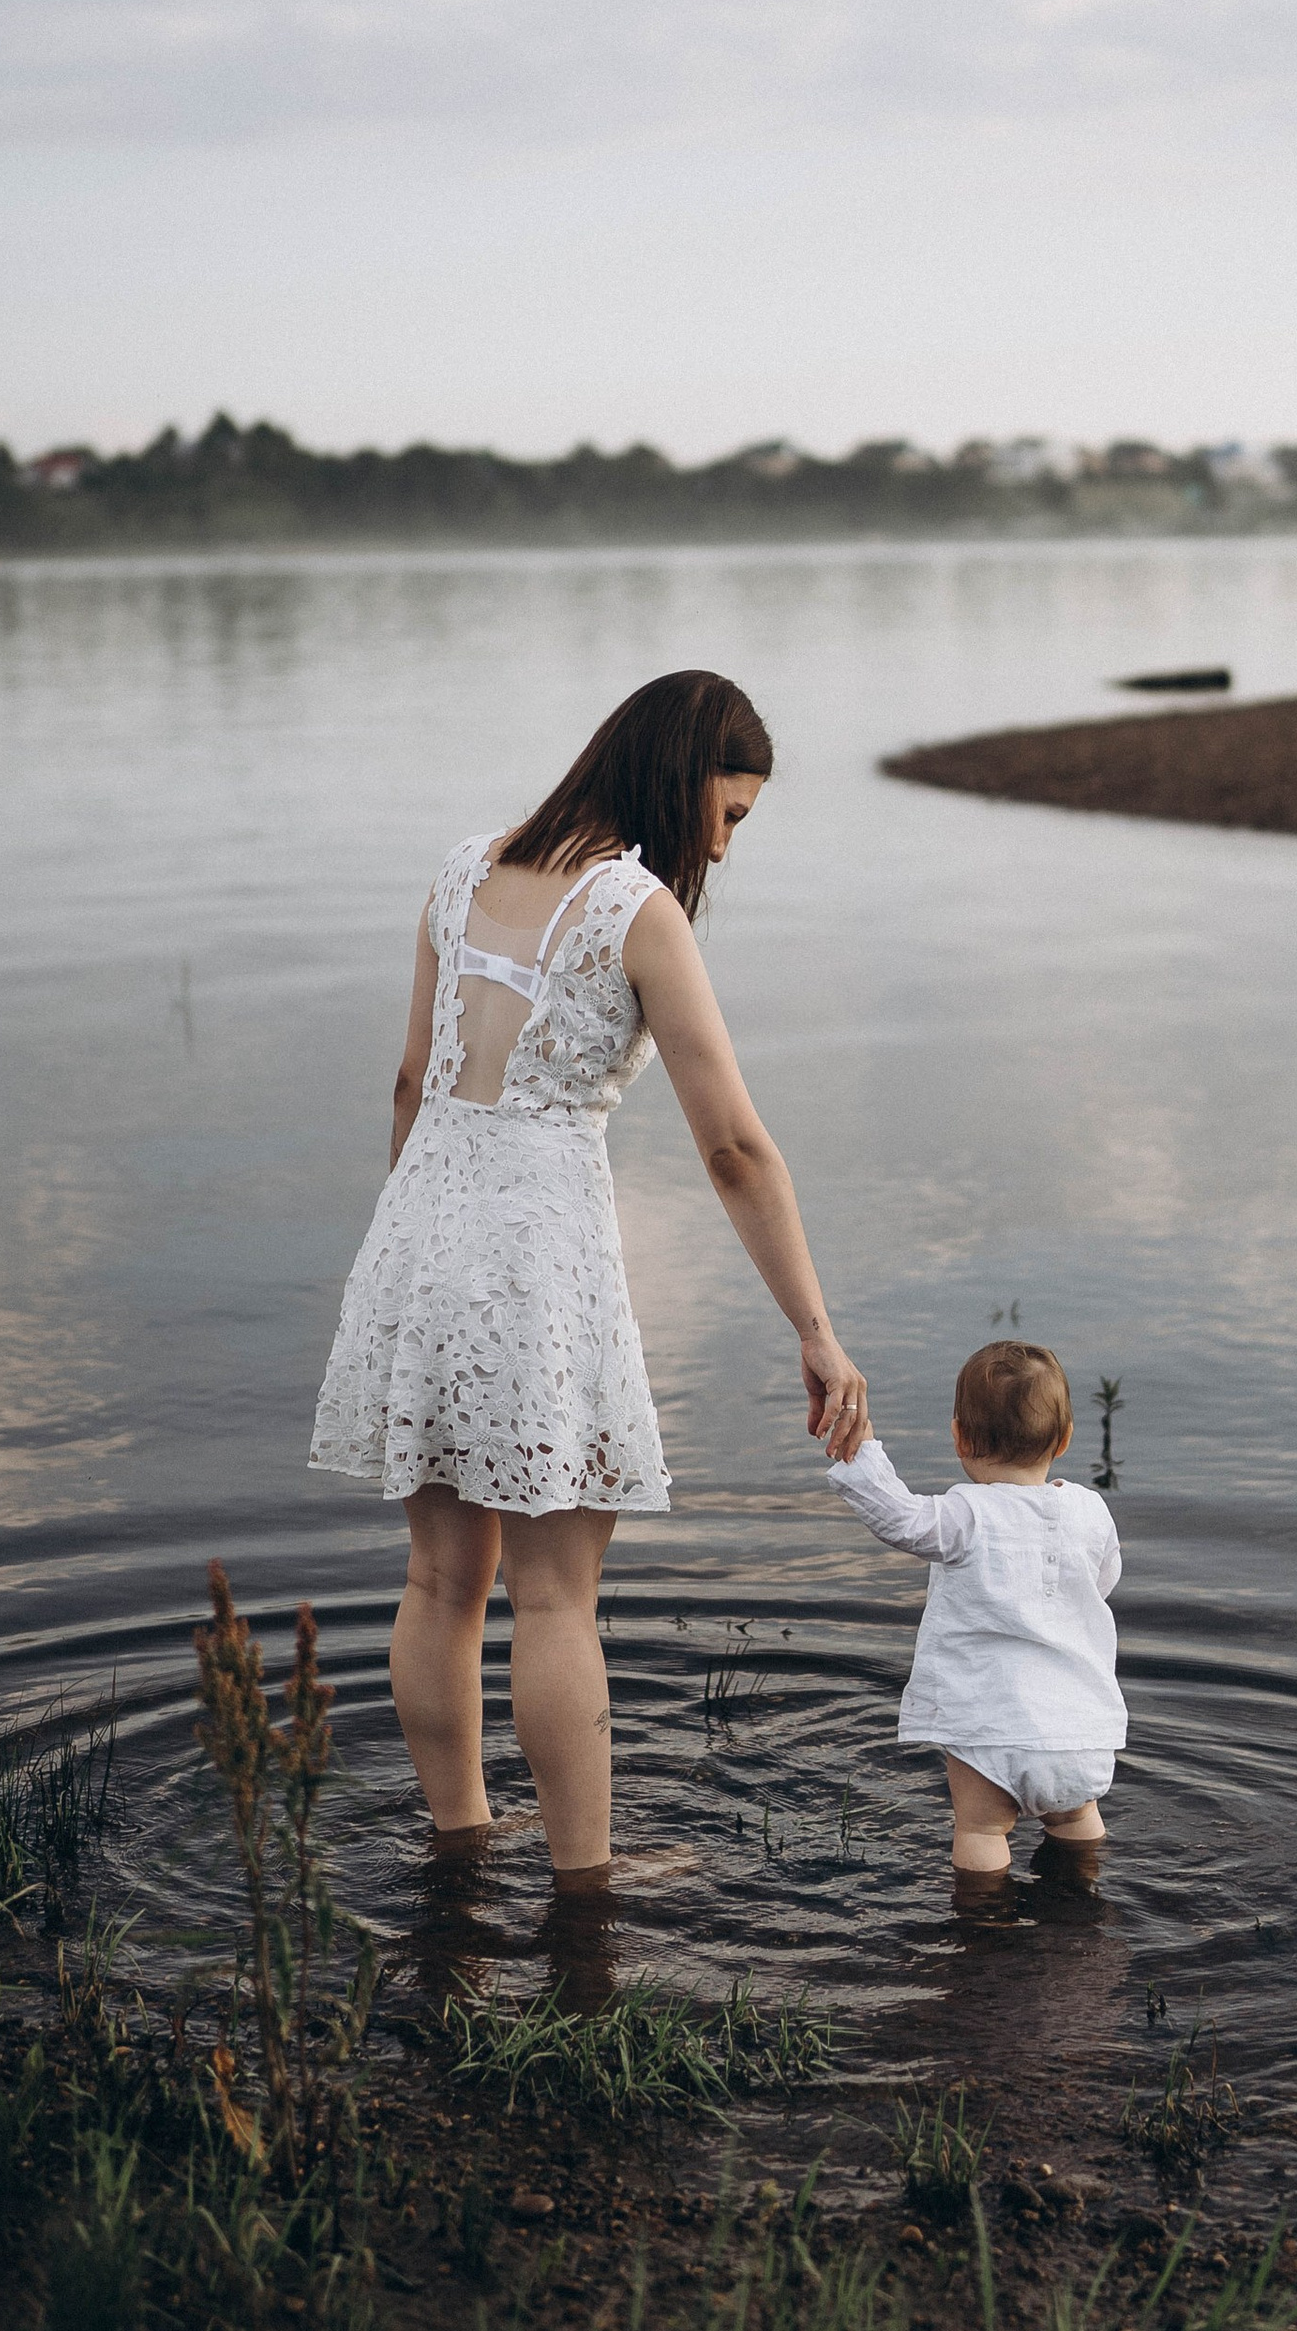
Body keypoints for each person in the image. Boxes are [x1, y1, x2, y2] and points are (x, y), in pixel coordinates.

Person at [310, 668, 870, 1892]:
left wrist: (416, 1257)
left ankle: (461, 1842)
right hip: (534, 1257)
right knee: (557, 1599)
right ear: (679, 780)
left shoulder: (462, 870)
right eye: (727, 814)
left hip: (417, 1234)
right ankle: (585, 1887)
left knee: (439, 1580)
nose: (722, 844)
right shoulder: (635, 910)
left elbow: (408, 1085)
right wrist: (815, 1329)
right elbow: (732, 1149)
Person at [824, 1338, 1123, 1880]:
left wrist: (861, 1449)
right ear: (1065, 1438)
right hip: (1082, 1730)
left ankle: (983, 1920)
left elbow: (899, 1518)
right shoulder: (1091, 1510)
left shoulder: (968, 1514)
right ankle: (1084, 1900)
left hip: (991, 1730)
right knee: (1078, 1820)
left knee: (982, 1832)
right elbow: (1102, 1583)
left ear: (959, 1436)